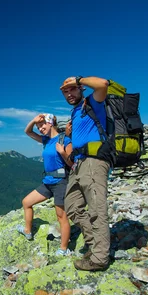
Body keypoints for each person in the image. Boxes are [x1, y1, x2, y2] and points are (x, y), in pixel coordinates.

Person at [59, 75, 112, 271]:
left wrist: (80, 79)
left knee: (97, 209)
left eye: (72, 89)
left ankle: (99, 258)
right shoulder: (75, 112)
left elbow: (103, 84)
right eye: (65, 91)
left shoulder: (93, 102)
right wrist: (69, 136)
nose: (69, 93)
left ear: (81, 89)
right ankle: (96, 243)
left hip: (94, 161)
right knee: (72, 207)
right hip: (79, 163)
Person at [17, 113, 72, 257]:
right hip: (48, 182)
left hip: (61, 182)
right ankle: (28, 231)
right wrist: (34, 120)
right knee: (26, 202)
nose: (40, 128)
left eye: (42, 125)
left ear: (51, 123)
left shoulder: (65, 140)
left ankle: (64, 248)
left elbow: (73, 164)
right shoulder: (46, 140)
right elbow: (27, 132)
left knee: (61, 217)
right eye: (38, 126)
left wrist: (63, 153)